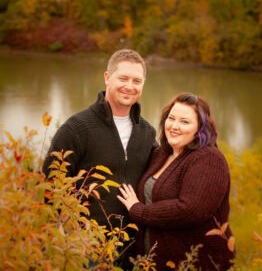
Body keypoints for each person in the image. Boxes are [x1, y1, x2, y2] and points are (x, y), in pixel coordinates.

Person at [42, 49, 157, 269]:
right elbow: (48, 187)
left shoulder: (147, 132)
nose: (130, 86)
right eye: (123, 78)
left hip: (132, 249)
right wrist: (65, 234)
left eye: (137, 80)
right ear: (107, 77)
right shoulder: (76, 128)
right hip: (86, 250)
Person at [117, 93, 235, 270]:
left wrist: (138, 210)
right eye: (171, 118)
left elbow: (190, 209)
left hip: (194, 263)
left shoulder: (209, 159)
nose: (174, 126)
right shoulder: (161, 154)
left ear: (200, 128)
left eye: (185, 122)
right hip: (150, 262)